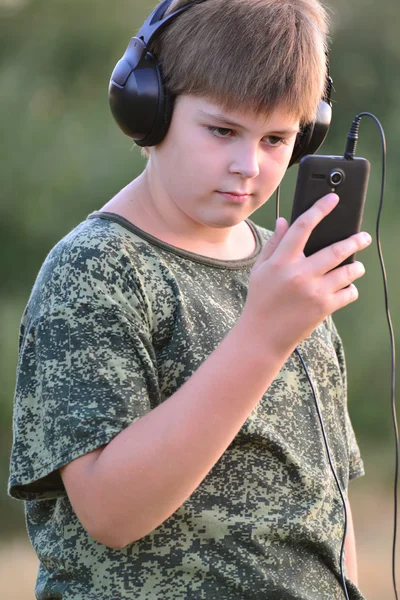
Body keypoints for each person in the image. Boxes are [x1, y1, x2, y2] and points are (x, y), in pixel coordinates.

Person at [8, 0, 371, 598]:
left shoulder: (283, 269)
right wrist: (263, 336)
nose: (247, 165)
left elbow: (325, 496)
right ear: (148, 108)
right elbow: (110, 512)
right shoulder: (99, 268)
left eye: (277, 138)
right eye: (222, 130)